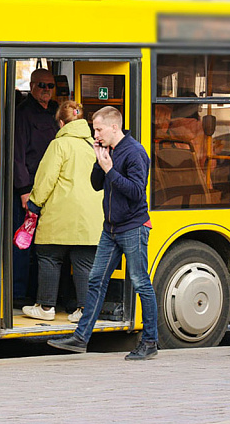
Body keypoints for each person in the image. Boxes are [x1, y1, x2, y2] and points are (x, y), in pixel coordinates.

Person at [48, 106, 160, 360]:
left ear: (114, 127)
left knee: (141, 282)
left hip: (133, 227)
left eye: (98, 130)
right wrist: (100, 163)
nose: (95, 134)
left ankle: (150, 341)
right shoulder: (108, 150)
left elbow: (136, 192)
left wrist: (110, 170)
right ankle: (81, 338)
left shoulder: (135, 152)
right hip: (110, 229)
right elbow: (96, 185)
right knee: (96, 281)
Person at [22, 101, 103, 323]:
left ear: (60, 122)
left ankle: (46, 306)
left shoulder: (59, 145)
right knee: (84, 262)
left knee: (49, 256)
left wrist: (34, 203)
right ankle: (84, 310)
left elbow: (46, 179)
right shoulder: (94, 146)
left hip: (60, 215)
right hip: (91, 218)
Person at [13, 68, 59, 305]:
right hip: (30, 188)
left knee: (47, 241)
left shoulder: (56, 112)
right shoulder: (23, 114)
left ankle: (40, 292)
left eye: (51, 86)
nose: (46, 90)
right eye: (42, 85)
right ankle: (18, 294)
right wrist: (23, 190)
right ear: (32, 86)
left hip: (54, 189)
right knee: (24, 240)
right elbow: (17, 155)